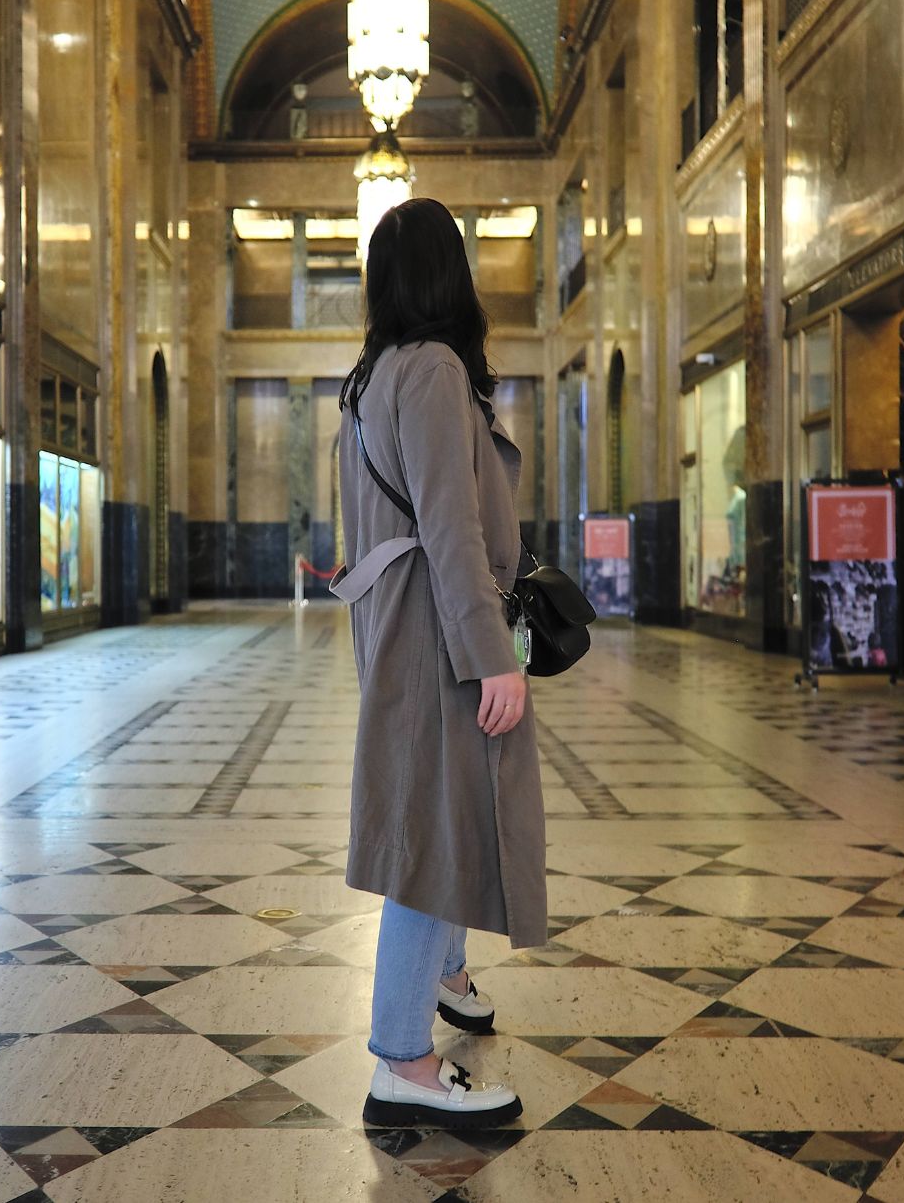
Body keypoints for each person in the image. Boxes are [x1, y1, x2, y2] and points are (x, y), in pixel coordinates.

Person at [330, 198, 548, 1129]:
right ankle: (402, 1060)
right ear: (451, 276)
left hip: (406, 629)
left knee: (442, 814)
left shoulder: (374, 374)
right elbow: (450, 527)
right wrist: (493, 657)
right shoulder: (429, 370)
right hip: (438, 633)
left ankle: (447, 974)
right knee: (425, 840)